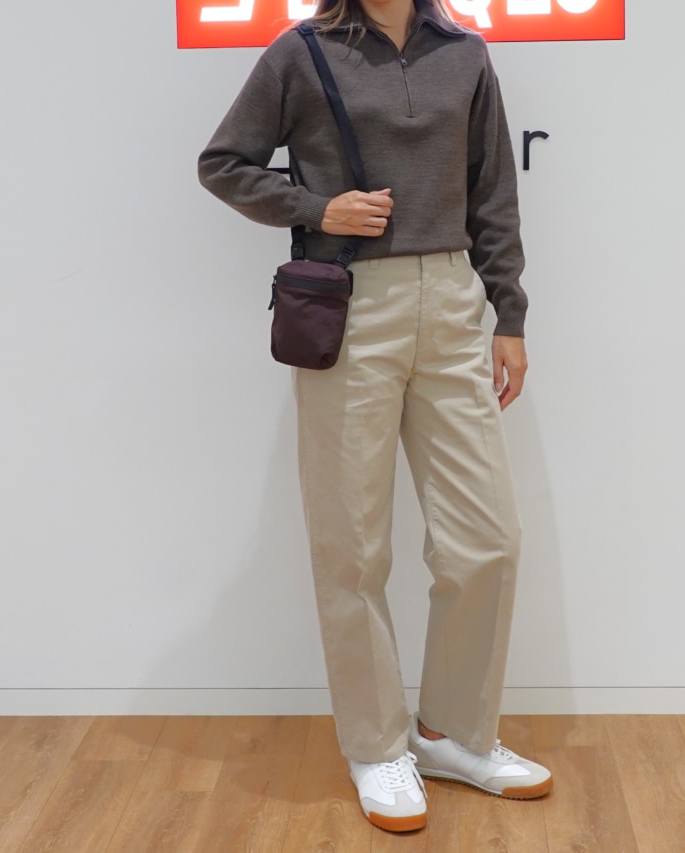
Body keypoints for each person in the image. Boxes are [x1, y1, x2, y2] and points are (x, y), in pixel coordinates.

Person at [196, 0, 551, 833]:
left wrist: (509, 313)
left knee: (488, 538)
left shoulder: (464, 53)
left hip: (454, 299)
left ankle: (453, 734)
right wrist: (317, 209)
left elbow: (493, 189)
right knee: (352, 545)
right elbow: (223, 162)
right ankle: (376, 743)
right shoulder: (303, 51)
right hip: (351, 306)